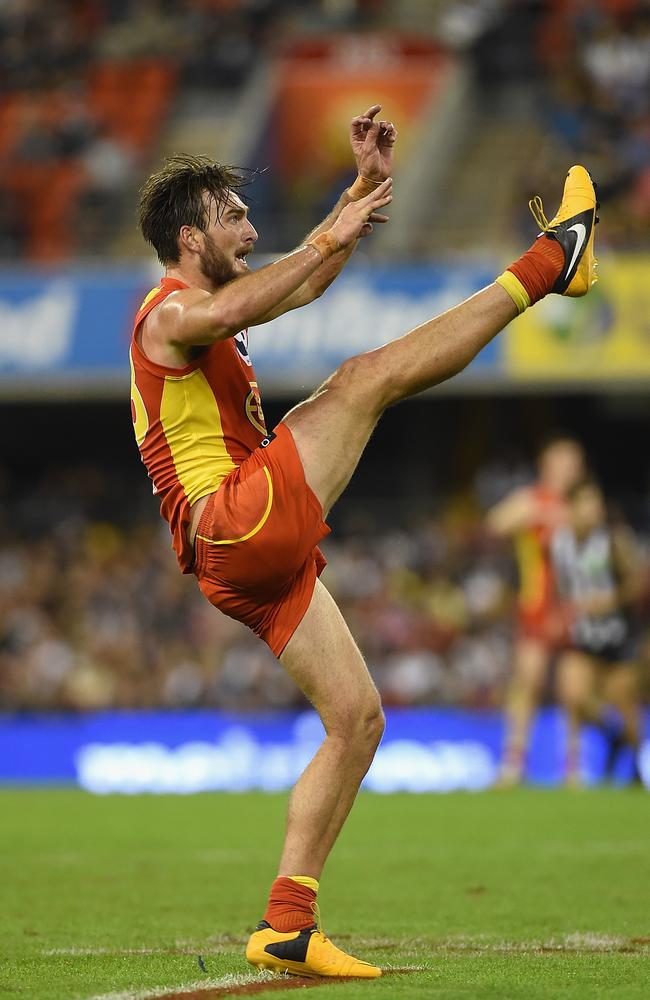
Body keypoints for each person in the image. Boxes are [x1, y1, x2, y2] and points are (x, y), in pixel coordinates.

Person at [130, 92, 598, 977]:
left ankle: (286, 925)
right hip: (234, 519)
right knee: (363, 380)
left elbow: (298, 284)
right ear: (188, 240)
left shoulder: (215, 308)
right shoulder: (167, 312)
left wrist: (355, 197)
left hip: (233, 559)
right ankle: (551, 261)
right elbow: (240, 308)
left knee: (357, 719)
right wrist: (328, 233)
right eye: (230, 215)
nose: (248, 223)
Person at [486, 436, 586, 785]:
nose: (567, 468)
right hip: (537, 607)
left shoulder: (585, 504)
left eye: (572, 462)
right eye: (561, 461)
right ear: (546, 464)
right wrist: (536, 513)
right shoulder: (532, 499)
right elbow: (495, 522)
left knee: (574, 692)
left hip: (578, 609)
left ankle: (573, 767)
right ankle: (513, 763)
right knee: (527, 683)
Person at [552, 477, 643, 786]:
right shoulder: (559, 544)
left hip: (619, 636)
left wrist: (610, 601)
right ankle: (578, 765)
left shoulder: (613, 541)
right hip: (583, 637)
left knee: (623, 701)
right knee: (574, 697)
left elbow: (638, 582)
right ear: (572, 508)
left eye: (597, 503)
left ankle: (634, 770)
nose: (594, 509)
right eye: (587, 502)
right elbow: (559, 587)